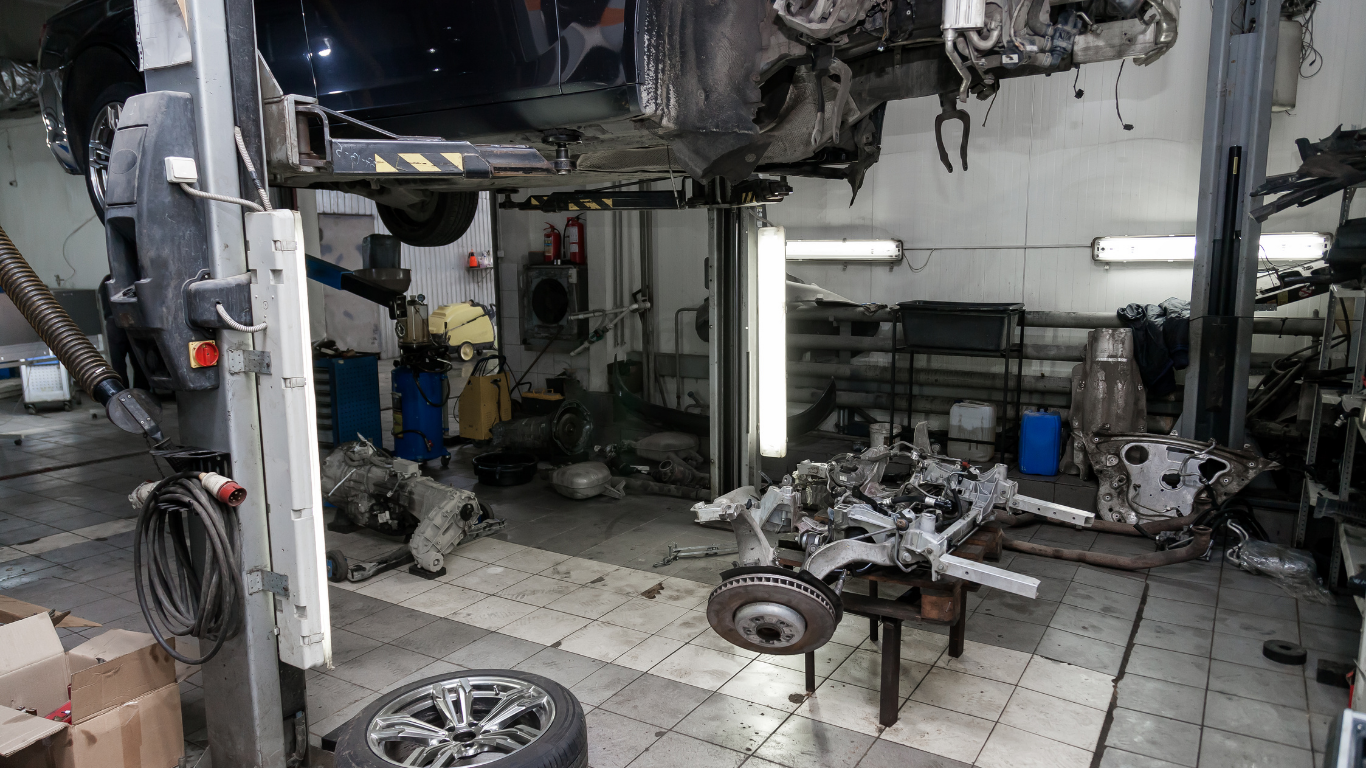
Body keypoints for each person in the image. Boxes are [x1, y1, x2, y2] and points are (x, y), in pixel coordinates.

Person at [99, 274, 149, 390]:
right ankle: (142, 393)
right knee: (139, 361)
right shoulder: (135, 278)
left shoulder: (107, 281)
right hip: (133, 322)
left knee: (118, 363)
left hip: (113, 322)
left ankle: (120, 393)